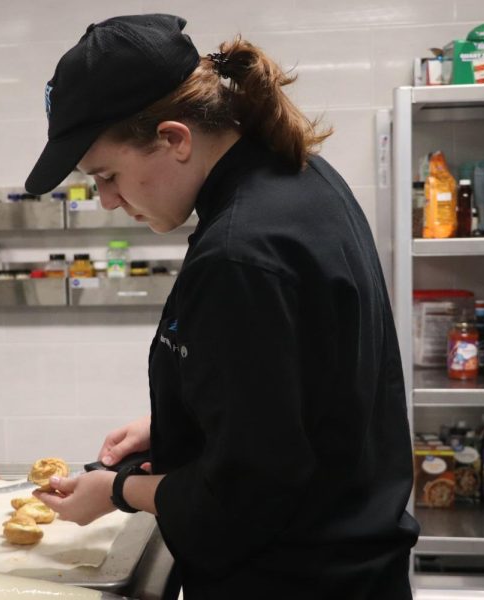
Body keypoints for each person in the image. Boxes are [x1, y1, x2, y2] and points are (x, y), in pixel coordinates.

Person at [27, 14, 419, 599]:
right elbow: (306, 390)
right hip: (355, 569)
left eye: (107, 175)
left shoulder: (239, 254)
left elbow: (245, 497)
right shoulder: (298, 180)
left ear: (173, 139)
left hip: (293, 582)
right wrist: (181, 425)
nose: (107, 201)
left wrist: (116, 490)